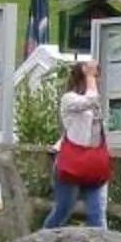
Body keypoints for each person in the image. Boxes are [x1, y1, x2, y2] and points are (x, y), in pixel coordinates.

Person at [42, 57, 111, 229]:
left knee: (97, 215)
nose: (97, 80)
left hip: (93, 162)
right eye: (95, 76)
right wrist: (89, 77)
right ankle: (41, 241)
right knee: (63, 210)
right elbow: (90, 101)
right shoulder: (69, 99)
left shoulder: (93, 100)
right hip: (72, 163)